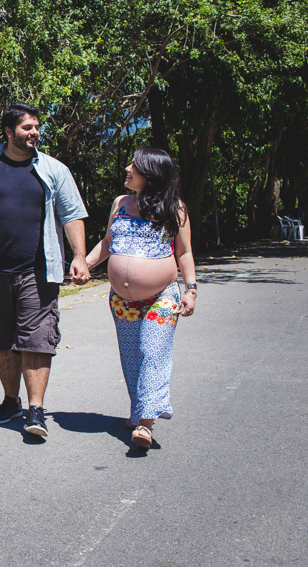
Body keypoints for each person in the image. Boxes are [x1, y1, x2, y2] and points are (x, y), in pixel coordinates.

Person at [0, 103, 90, 439]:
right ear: (8, 131)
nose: (35, 133)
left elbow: (72, 214)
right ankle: (10, 400)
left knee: (37, 340)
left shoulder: (53, 169)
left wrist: (80, 257)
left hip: (38, 271)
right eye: (27, 127)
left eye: (36, 127)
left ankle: (35, 409)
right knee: (0, 339)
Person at [84, 147, 196, 450]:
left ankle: (146, 423)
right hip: (122, 301)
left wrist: (191, 289)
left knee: (152, 351)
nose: (127, 168)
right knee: (132, 356)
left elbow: (185, 253)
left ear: (152, 173)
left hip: (162, 296)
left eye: (135, 165)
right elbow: (107, 242)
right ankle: (139, 410)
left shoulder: (175, 208)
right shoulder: (120, 203)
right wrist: (84, 264)